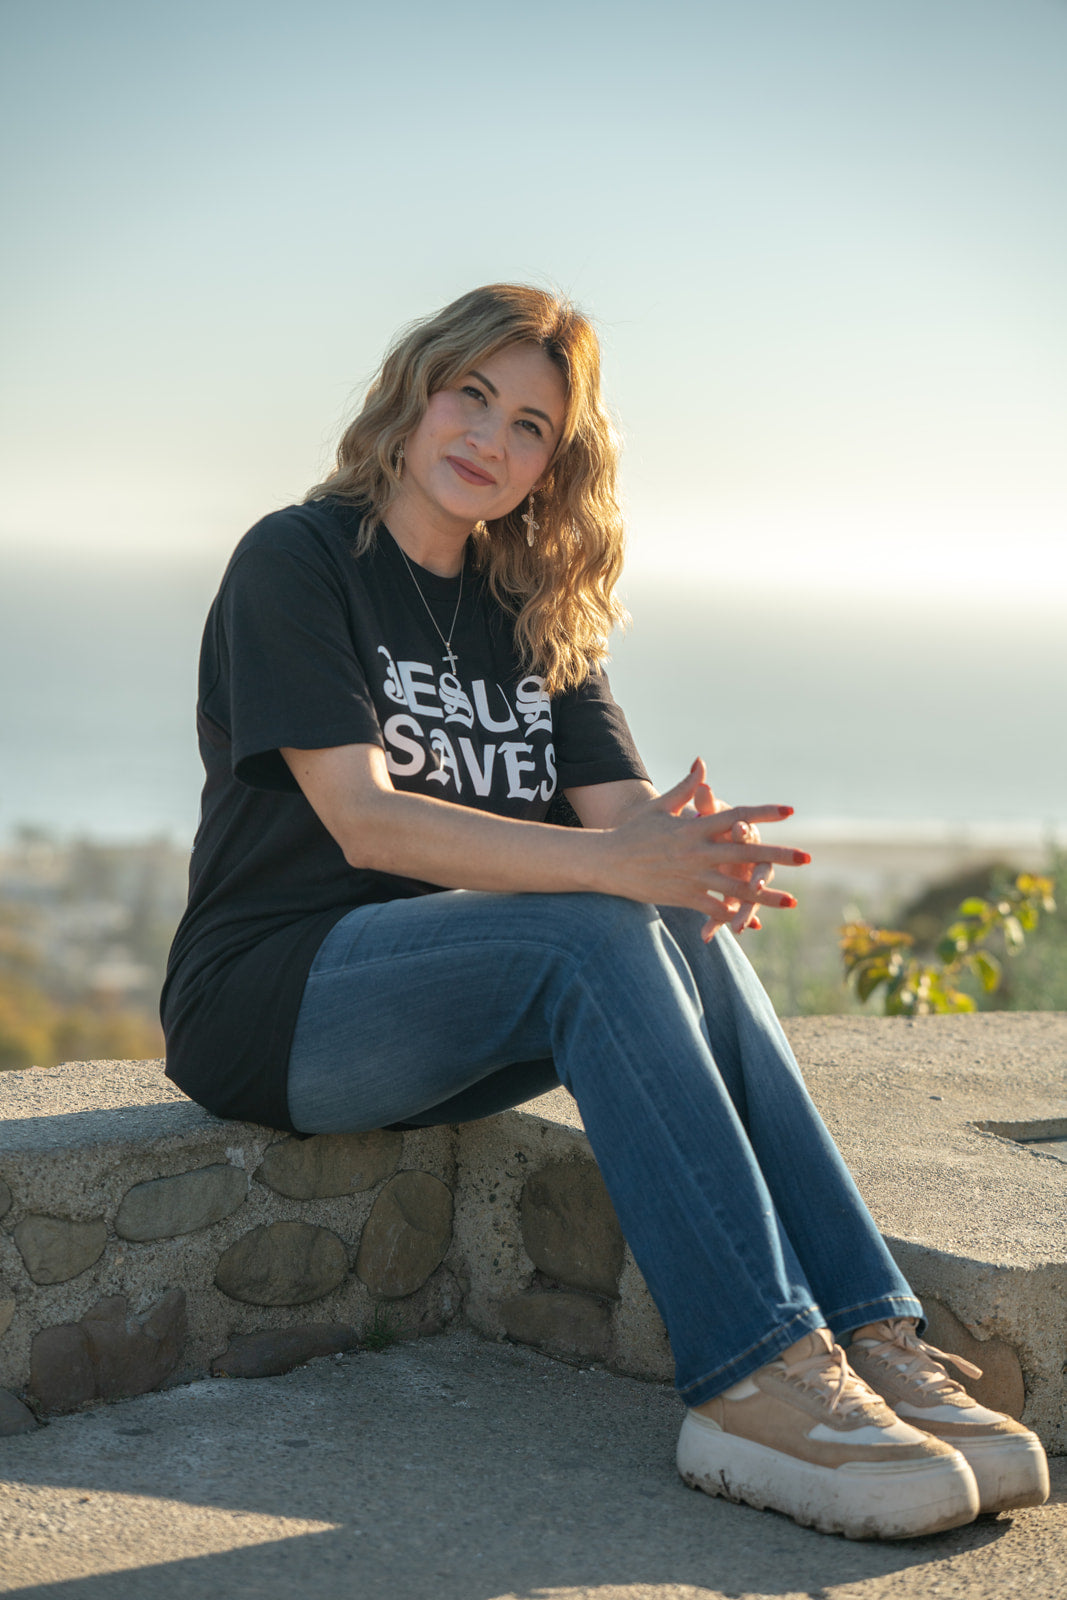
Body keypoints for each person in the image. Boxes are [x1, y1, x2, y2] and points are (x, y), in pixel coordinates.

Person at [162, 283, 1048, 1541]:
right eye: (472, 395)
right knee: (593, 918)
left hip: (461, 1005)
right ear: (413, 393)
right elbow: (368, 822)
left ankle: (867, 1333)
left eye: (529, 425)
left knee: (675, 915)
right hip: (280, 998)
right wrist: (626, 865)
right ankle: (751, 1374)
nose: (489, 438)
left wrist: (686, 849)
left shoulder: (531, 609)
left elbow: (624, 834)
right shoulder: (298, 561)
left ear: (549, 467)